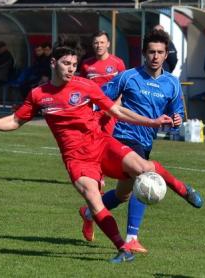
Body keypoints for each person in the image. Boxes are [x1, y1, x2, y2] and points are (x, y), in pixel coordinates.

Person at [0, 39, 203, 264]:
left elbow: (117, 111)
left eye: (74, 65)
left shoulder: (85, 86)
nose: (71, 69)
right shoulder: (38, 95)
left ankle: (183, 190)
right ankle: (124, 248)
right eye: (66, 64)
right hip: (76, 159)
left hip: (102, 145)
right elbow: (15, 120)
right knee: (95, 201)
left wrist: (151, 122)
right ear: (53, 63)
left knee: (143, 168)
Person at [78, 29, 185, 254]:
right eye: (151, 52)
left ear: (166, 55)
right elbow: (101, 98)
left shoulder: (172, 84)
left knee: (123, 195)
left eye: (160, 52)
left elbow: (178, 114)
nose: (155, 56)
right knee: (144, 177)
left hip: (145, 142)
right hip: (122, 136)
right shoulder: (128, 76)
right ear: (144, 54)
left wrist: (177, 119)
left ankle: (88, 214)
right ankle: (132, 238)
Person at [80, 31, 126, 134]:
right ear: (92, 44)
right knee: (91, 140)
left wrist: (115, 107)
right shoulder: (85, 64)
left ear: (108, 44)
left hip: (111, 110)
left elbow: (125, 89)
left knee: (109, 141)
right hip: (92, 111)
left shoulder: (118, 63)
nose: (99, 45)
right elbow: (82, 88)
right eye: (96, 43)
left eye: (102, 42)